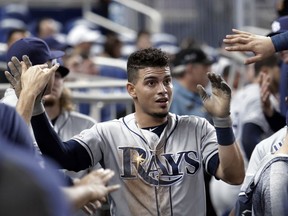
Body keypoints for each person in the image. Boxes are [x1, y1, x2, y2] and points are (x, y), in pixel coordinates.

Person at [16, 47, 244, 216]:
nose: (163, 90)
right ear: (131, 90)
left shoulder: (197, 128)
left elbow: (234, 176)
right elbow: (61, 156)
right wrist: (35, 105)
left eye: (167, 81)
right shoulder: (108, 132)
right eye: (151, 83)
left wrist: (222, 120)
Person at [170, 47, 213, 122]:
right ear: (190, 68)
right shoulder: (169, 96)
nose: (209, 71)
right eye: (205, 66)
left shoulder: (207, 97)